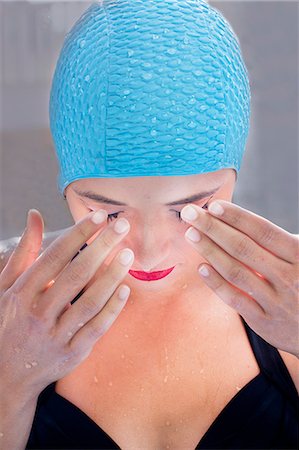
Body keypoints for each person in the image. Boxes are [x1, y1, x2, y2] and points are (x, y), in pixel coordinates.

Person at [1, 1, 298, 449]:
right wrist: (9, 381)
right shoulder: (10, 312)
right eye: (109, 212)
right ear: (66, 188)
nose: (149, 249)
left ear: (234, 178)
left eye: (187, 209)